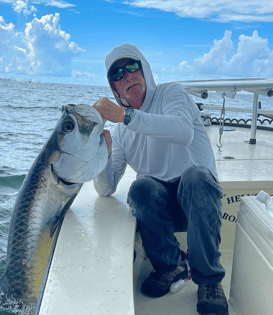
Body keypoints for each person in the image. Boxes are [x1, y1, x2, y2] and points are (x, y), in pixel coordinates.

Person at [93, 43, 228, 315]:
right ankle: (170, 266)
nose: (127, 75)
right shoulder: (121, 133)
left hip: (200, 203)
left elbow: (182, 131)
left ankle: (209, 281)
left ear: (145, 70)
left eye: (132, 66)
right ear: (114, 89)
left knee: (197, 177)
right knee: (141, 187)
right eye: (118, 74)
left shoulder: (171, 93)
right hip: (163, 213)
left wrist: (124, 115)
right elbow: (105, 188)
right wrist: (99, 154)